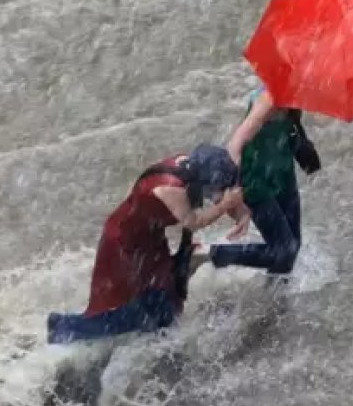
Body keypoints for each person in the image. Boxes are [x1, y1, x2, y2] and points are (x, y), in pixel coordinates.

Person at [47, 144, 243, 344]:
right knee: (129, 307)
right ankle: (65, 328)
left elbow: (222, 193)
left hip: (148, 236)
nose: (217, 194)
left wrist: (239, 212)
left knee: (164, 291)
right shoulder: (170, 189)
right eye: (216, 187)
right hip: (124, 244)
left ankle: (159, 328)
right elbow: (194, 222)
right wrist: (225, 205)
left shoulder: (190, 165)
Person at [201, 84, 318, 278]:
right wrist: (234, 197)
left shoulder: (294, 96)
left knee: (292, 247)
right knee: (284, 250)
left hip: (283, 175)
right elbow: (235, 146)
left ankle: (277, 302)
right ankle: (208, 253)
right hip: (256, 182)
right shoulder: (267, 101)